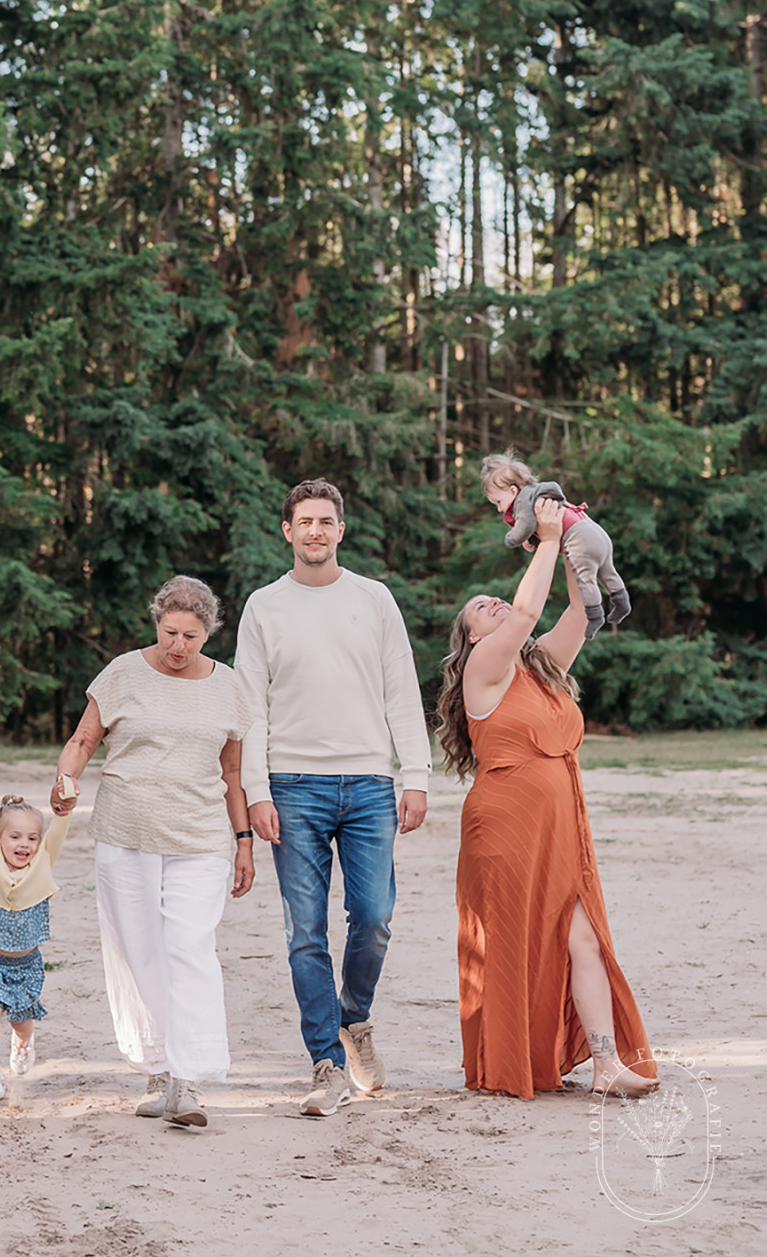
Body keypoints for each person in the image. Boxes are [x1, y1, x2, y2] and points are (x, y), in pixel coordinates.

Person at [437, 495, 659, 1100]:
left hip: (560, 820)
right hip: (506, 824)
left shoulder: (541, 668)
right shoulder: (484, 667)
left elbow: (581, 618)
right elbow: (528, 608)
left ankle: (606, 1065)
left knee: (582, 936)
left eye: (496, 600)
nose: (495, 604)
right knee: (518, 938)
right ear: (472, 636)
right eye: (481, 609)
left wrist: (574, 546)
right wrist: (547, 536)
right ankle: (512, 1057)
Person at [237, 480, 430, 1119]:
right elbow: (251, 709)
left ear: (340, 531)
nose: (315, 530)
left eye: (326, 520)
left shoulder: (373, 599)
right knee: (304, 932)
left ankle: (356, 1019)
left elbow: (401, 689)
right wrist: (256, 791)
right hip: (292, 788)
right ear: (287, 531)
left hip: (371, 784)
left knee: (373, 917)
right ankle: (326, 1063)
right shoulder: (263, 606)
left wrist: (417, 775)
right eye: (304, 521)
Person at [52, 575, 254, 1129]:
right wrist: (65, 780)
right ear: (156, 623)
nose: (178, 646)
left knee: (188, 947)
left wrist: (243, 842)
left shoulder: (230, 687)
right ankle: (160, 1066)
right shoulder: (121, 673)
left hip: (200, 839)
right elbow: (83, 741)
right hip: (126, 833)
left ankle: (190, 1078)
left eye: (191, 635)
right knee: (139, 949)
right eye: (170, 632)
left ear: (209, 632)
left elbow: (232, 770)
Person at [0, 787, 74, 1100]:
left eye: (32, 838)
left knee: (22, 1022)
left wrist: (64, 811)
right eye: (15, 837)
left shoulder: (42, 865)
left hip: (27, 964)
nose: (24, 844)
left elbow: (57, 832)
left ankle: (22, 1042)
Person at [481, 451, 630, 641]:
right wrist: (533, 540)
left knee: (585, 579)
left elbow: (525, 525)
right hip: (594, 530)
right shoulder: (537, 493)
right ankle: (621, 601)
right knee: (607, 571)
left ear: (512, 491)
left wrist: (512, 539)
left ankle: (595, 615)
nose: (500, 509)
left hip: (578, 538)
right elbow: (538, 525)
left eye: (498, 502)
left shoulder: (522, 500)